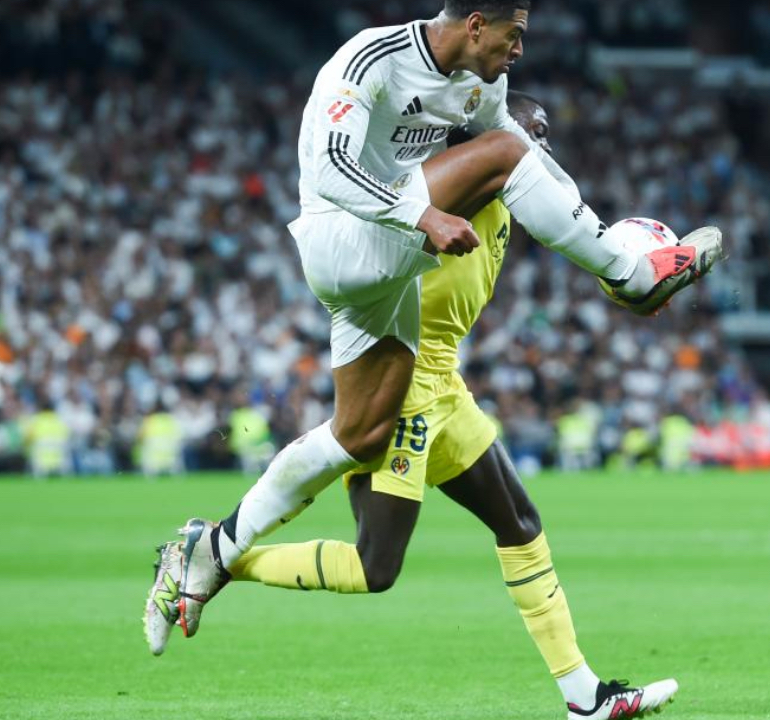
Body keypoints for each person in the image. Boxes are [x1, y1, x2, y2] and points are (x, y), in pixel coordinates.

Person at [150, 0, 721, 668]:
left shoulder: (485, 91)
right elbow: (336, 168)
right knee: (506, 154)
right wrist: (422, 213)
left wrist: (593, 226)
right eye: (514, 35)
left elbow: (522, 153)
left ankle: (209, 551)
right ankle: (631, 275)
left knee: (356, 441)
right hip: (340, 235)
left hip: (392, 278)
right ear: (476, 22)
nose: (519, 50)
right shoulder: (372, 59)